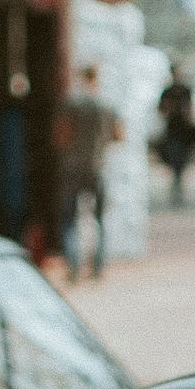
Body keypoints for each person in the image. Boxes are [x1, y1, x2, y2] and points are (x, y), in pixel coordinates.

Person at [58, 63, 120, 275]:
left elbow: (62, 137)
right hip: (98, 166)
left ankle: (73, 266)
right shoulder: (107, 106)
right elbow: (119, 136)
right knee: (100, 219)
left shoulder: (70, 104)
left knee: (69, 219)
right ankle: (98, 266)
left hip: (73, 166)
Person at [155, 68, 195, 207]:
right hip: (172, 131)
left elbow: (191, 109)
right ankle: (175, 190)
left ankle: (178, 189)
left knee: (181, 162)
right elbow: (161, 110)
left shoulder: (186, 91)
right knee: (174, 159)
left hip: (184, 132)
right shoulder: (168, 92)